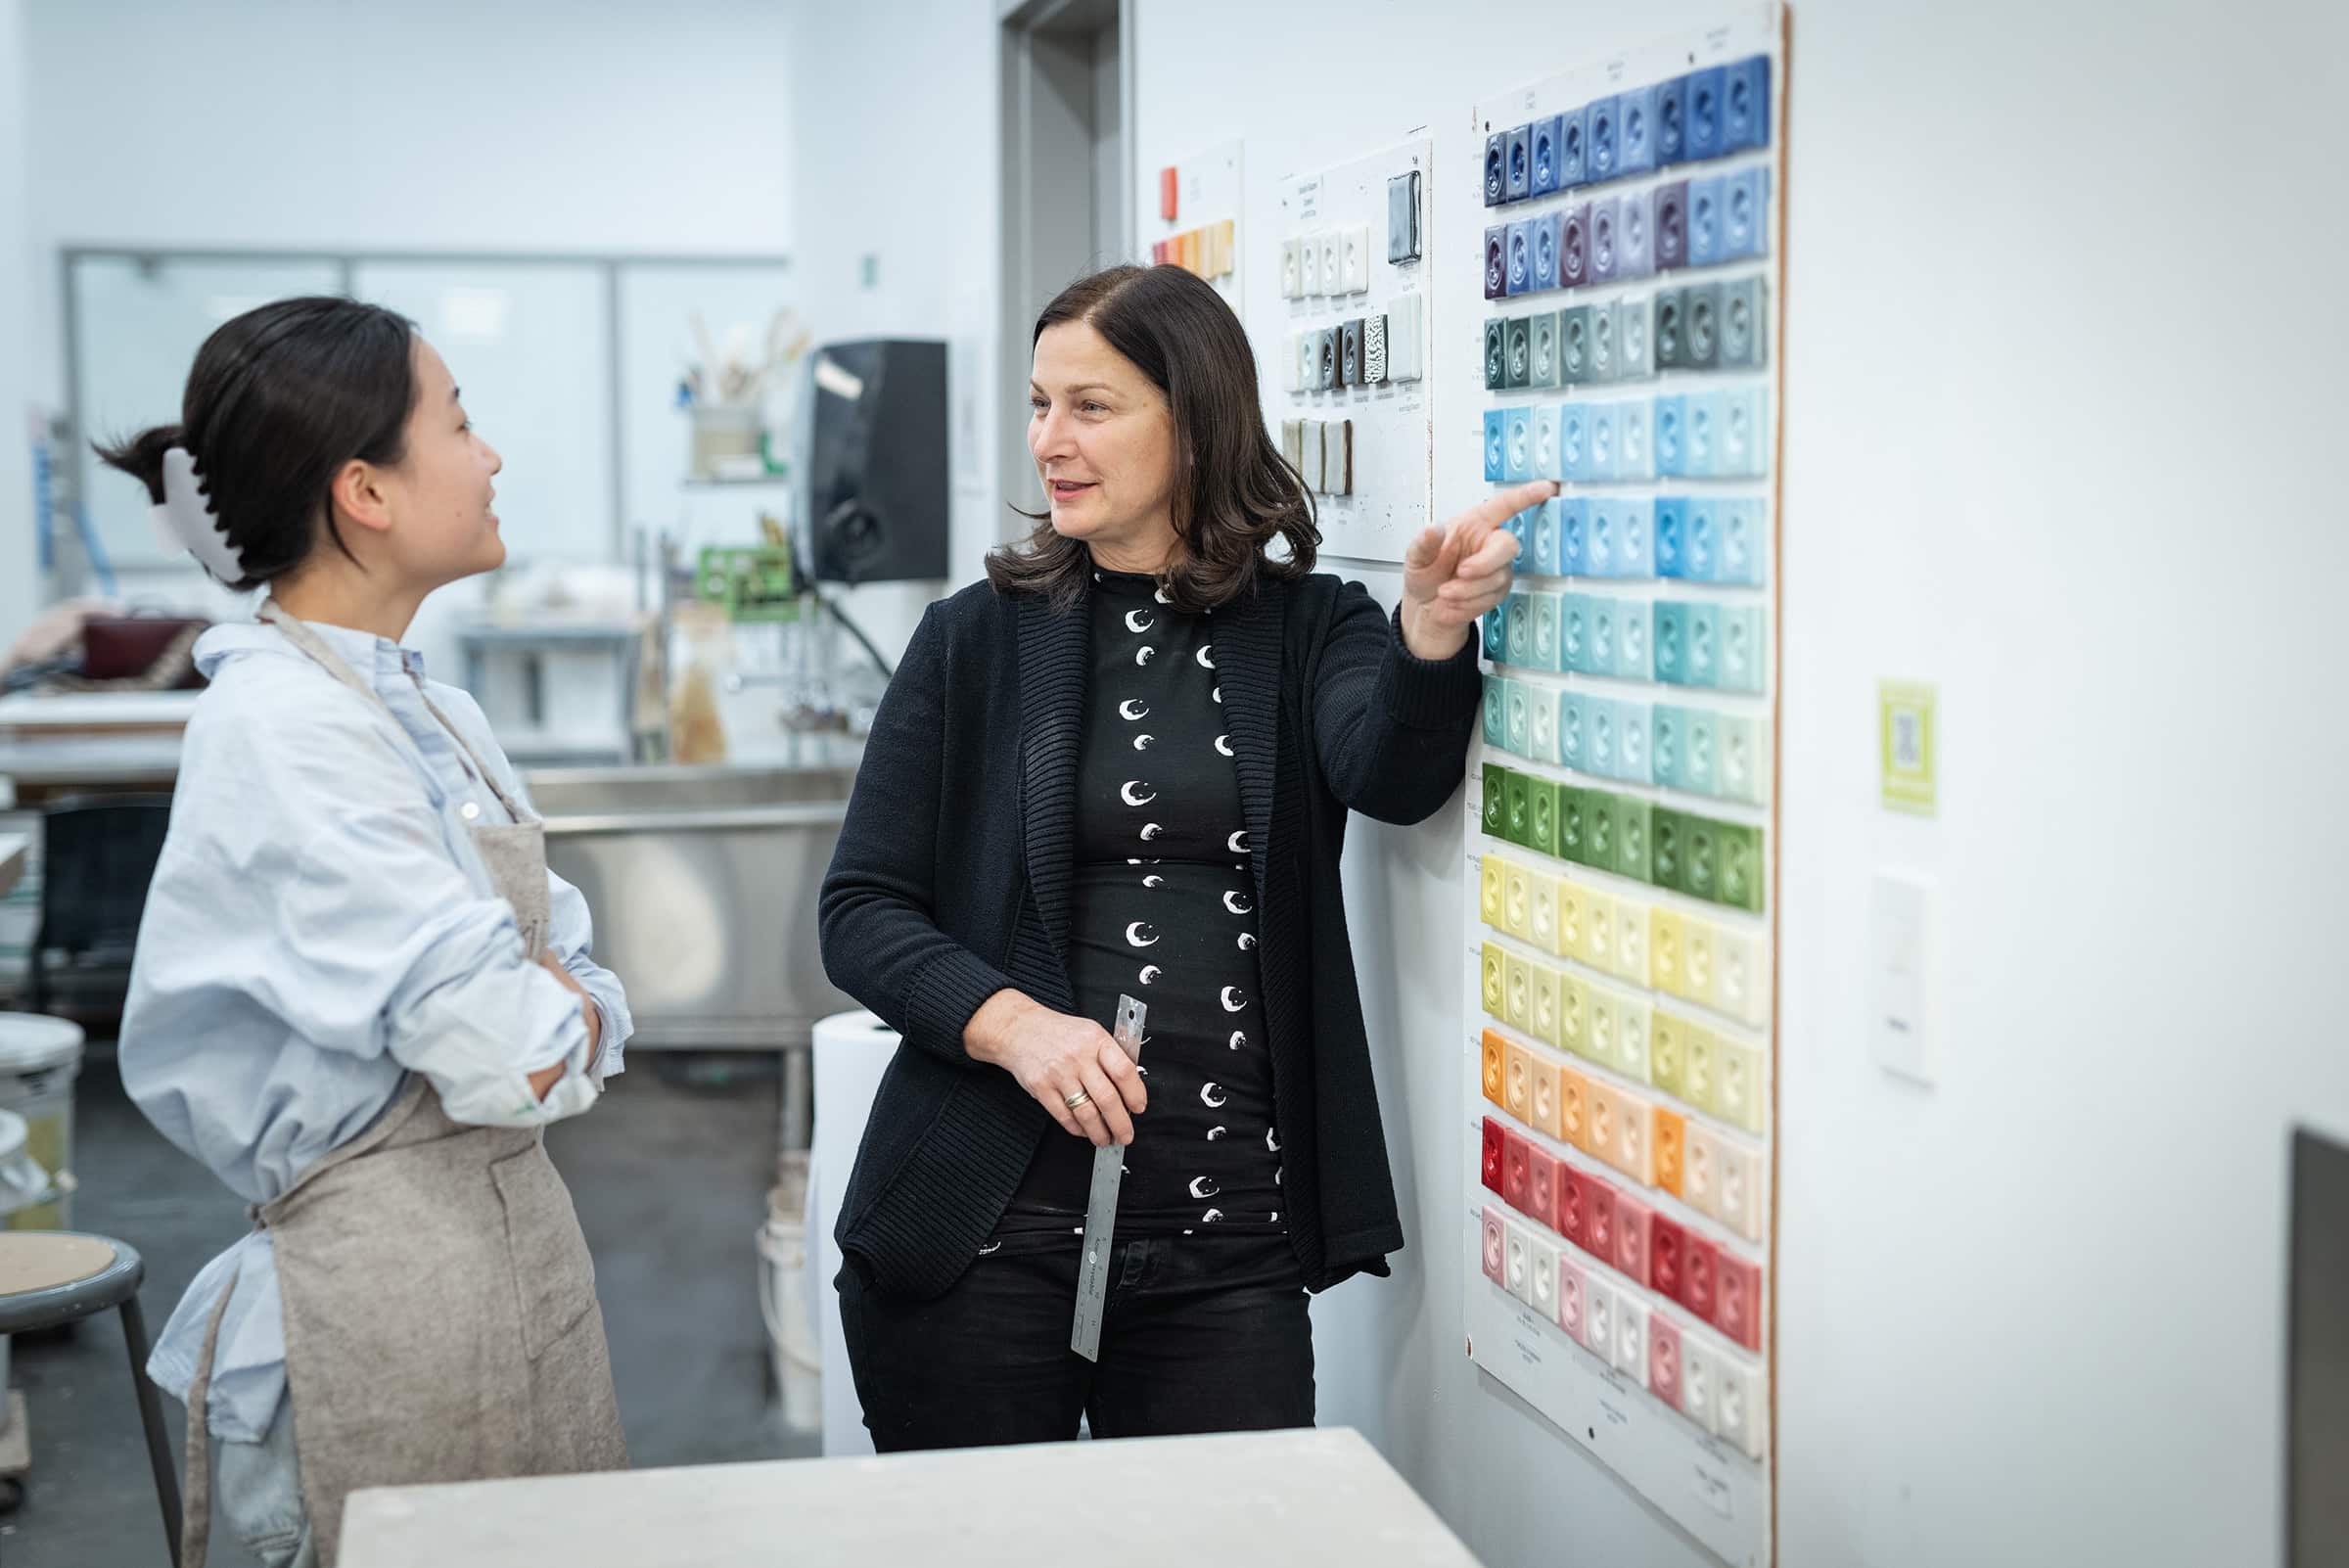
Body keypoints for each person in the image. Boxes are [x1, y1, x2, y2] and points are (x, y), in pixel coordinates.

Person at [820, 261, 1555, 1448]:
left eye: (1091, 406)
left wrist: (1432, 631)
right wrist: (1017, 1026)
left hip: (1228, 1250)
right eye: (1039, 402)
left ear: (1196, 420)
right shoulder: (975, 639)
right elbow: (860, 911)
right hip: (983, 1238)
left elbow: (1393, 778)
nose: (1048, 439)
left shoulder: (1312, 627)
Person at [109, 296, 633, 1568]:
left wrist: (564, 1004)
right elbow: (517, 1050)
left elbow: (583, 1001)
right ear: (366, 492)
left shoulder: (432, 707)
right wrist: (560, 1004)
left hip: (522, 1251)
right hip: (384, 1295)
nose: (491, 455)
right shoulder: (283, 726)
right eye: (459, 423)